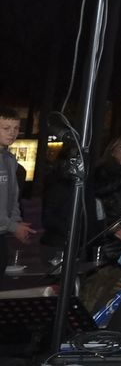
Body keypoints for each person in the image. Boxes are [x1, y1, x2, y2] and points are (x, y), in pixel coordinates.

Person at [0, 108, 36, 266]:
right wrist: (14, 226)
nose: (12, 133)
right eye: (6, 128)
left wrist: (16, 222)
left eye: (16, 128)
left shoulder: (10, 159)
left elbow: (12, 196)